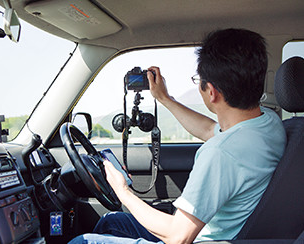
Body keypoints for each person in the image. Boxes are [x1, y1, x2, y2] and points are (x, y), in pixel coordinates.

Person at [68, 28, 286, 243]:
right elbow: (209, 129)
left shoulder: (221, 153)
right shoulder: (266, 122)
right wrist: (164, 98)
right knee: (111, 222)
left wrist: (122, 191)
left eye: (197, 80)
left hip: (197, 239)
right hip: (215, 232)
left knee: (82, 242)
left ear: (211, 92)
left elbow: (178, 237)